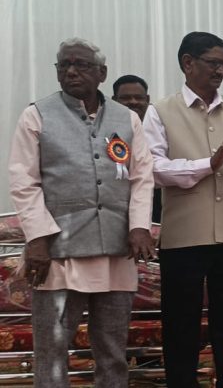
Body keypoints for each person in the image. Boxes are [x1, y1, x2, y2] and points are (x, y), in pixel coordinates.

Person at [8, 38, 156, 388]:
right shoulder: (37, 114)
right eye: (64, 65)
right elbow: (23, 181)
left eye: (81, 65)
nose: (71, 71)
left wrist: (139, 226)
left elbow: (141, 176)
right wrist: (38, 238)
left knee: (112, 351)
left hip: (116, 254)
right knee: (52, 352)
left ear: (102, 73)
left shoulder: (126, 118)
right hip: (57, 255)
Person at [143, 32, 223, 388]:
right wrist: (205, 165)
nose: (220, 71)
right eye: (213, 63)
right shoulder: (161, 111)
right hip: (184, 236)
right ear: (187, 63)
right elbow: (153, 168)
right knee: (180, 324)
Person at [112, 74, 162, 223]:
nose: (133, 102)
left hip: (158, 203)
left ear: (148, 99)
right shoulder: (108, 132)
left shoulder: (161, 127)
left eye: (139, 98)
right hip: (120, 206)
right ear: (114, 100)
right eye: (126, 98)